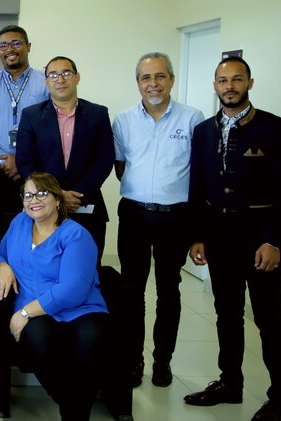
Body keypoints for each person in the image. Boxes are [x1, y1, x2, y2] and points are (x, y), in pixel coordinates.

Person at [184, 56, 281, 421]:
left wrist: (274, 241)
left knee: (268, 318)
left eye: (236, 79)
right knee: (226, 315)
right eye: (222, 80)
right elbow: (197, 187)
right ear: (214, 85)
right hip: (218, 240)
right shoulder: (202, 131)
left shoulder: (276, 128)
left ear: (249, 82)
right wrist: (197, 236)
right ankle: (230, 384)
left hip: (260, 243)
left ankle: (280, 396)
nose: (229, 86)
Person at [112, 52, 204, 388]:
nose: (153, 83)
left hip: (175, 218)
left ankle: (162, 361)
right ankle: (133, 359)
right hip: (135, 214)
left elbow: (200, 175)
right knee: (131, 291)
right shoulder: (123, 120)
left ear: (171, 80)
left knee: (169, 291)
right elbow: (121, 165)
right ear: (137, 82)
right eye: (146, 77)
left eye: (160, 76)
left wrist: (197, 230)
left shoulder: (193, 119)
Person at [0, 171, 108, 421]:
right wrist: (4, 269)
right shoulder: (20, 223)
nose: (34, 199)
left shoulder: (75, 235)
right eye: (28, 195)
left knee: (91, 339)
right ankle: (73, 407)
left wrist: (24, 313)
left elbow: (73, 289)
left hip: (80, 308)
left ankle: (74, 412)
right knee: (39, 340)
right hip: (34, 309)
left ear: (58, 199)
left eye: (42, 193)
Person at [16, 56, 114, 261]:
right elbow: (26, 162)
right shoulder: (31, 115)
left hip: (86, 203)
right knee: (45, 267)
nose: (60, 79)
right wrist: (57, 195)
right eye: (53, 74)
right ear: (46, 81)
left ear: (77, 77)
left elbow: (104, 159)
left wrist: (75, 194)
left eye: (66, 73)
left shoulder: (98, 114)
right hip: (43, 207)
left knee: (88, 268)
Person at [0, 25, 50, 215]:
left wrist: (22, 161)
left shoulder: (45, 82)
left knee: (33, 229)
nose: (9, 49)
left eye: (16, 43)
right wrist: (4, 161)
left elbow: (51, 129)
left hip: (35, 170)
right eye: (3, 45)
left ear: (28, 46)